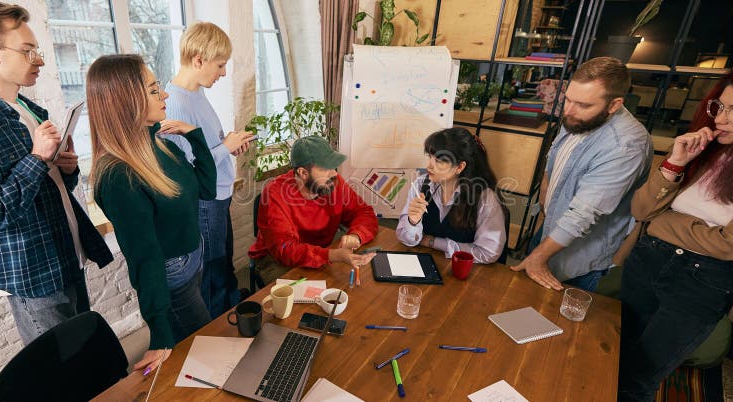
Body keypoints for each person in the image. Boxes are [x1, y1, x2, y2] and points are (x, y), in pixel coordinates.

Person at [618, 62, 733, 402]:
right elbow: (641, 210)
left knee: (637, 378)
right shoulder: (702, 150)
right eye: (719, 106)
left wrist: (665, 224)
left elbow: (731, 244)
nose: (720, 119)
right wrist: (675, 162)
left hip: (702, 282)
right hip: (648, 259)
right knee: (613, 354)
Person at [0, 1, 112, 345]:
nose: (38, 60)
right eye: (27, 51)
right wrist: (38, 158)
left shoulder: (25, 107)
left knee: (85, 361)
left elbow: (47, 184)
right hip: (32, 274)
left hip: (65, 254)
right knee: (61, 377)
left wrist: (65, 169)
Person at [87, 54, 217, 374]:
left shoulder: (162, 145)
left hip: (192, 254)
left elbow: (207, 189)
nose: (166, 95)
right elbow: (144, 257)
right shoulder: (119, 176)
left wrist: (195, 135)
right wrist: (158, 333)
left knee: (196, 344)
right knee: (204, 348)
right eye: (154, 89)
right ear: (126, 101)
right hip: (172, 272)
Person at [512, 57, 652, 292]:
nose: (569, 111)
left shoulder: (626, 145)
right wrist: (545, 207)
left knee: (557, 322)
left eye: (583, 105)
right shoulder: (580, 117)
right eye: (568, 100)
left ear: (614, 104)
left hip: (579, 255)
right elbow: (554, 159)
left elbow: (583, 214)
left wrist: (538, 257)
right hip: (550, 231)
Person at [163, 22, 254, 318]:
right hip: (206, 200)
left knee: (223, 261)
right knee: (212, 268)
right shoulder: (176, 103)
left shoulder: (195, 93)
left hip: (219, 194)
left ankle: (229, 309)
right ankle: (217, 327)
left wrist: (227, 143)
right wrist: (224, 148)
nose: (223, 73)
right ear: (198, 60)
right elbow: (189, 170)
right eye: (220, 65)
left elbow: (204, 145)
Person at [248, 136, 379, 284]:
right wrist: (331, 255)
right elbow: (286, 250)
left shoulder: (333, 183)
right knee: (301, 303)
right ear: (303, 173)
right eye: (325, 168)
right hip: (277, 261)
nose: (334, 173)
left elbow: (364, 213)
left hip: (321, 253)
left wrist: (356, 235)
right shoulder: (275, 194)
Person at [396, 127, 506, 263]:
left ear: (460, 167)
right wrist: (412, 222)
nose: (429, 166)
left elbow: (488, 253)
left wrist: (433, 242)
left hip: (469, 273)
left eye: (439, 161)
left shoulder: (485, 198)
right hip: (430, 263)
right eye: (430, 157)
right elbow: (403, 237)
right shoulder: (420, 185)